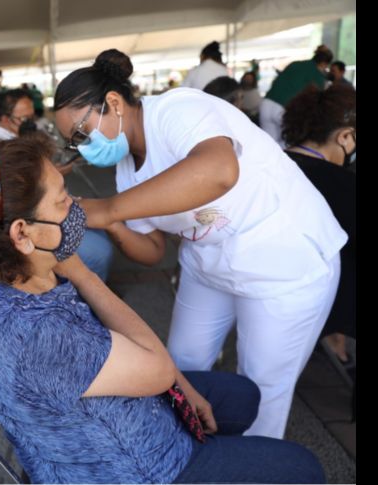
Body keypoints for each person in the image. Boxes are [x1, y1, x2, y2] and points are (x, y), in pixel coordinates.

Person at [0, 135, 325, 484]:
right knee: (302, 469)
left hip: (111, 420)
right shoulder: (31, 333)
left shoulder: (6, 278)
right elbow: (158, 371)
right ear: (21, 233)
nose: (76, 206)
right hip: (134, 469)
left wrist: (183, 388)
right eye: (63, 201)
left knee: (241, 397)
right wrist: (84, 275)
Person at [52, 49, 346, 439]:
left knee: (261, 387)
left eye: (81, 133)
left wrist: (106, 209)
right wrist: (116, 224)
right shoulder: (126, 168)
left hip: (282, 256)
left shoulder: (176, 110)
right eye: (74, 143)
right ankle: (190, 447)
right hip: (208, 259)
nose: (81, 147)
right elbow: (153, 249)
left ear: (113, 102)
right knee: (181, 365)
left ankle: (254, 468)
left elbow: (219, 171)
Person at [0, 89, 114, 281]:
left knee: (100, 228)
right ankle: (87, 298)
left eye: (31, 116)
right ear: (4, 118)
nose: (30, 122)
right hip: (27, 229)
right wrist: (53, 174)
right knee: (101, 251)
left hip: (42, 216)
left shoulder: (14, 137)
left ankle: (86, 289)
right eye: (24, 118)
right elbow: (15, 198)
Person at [282, 85, 356, 366]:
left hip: (259, 278)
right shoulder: (344, 185)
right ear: (344, 136)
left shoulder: (272, 163)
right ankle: (335, 339)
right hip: (322, 294)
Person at [260, 45, 333, 147]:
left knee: (268, 144)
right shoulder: (318, 76)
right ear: (324, 64)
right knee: (287, 145)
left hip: (266, 103)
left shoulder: (295, 64)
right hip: (284, 109)